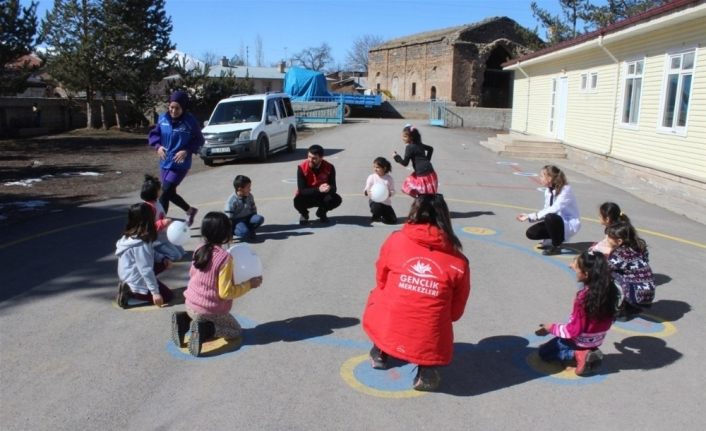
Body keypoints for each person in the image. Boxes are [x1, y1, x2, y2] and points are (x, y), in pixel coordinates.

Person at [362, 194, 471, 391]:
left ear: (414, 212)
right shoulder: (459, 261)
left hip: (394, 316)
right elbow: (456, 310)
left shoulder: (395, 240)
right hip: (429, 329)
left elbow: (381, 279)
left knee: (381, 294)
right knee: (435, 316)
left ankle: (380, 350)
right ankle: (427, 369)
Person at [175, 212, 263, 357]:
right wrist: (248, 284)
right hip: (209, 310)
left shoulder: (199, 249)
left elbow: (192, 274)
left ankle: (184, 319)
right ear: (225, 234)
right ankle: (205, 330)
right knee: (235, 331)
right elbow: (226, 293)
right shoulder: (224, 259)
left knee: (203, 316)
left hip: (190, 304)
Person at [535, 250, 619, 376]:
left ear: (586, 274)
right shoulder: (611, 290)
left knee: (544, 353)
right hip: (598, 338)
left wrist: (550, 328)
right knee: (564, 342)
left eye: (576, 268)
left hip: (579, 339)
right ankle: (590, 349)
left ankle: (578, 353)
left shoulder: (583, 297)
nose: (571, 267)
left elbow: (573, 330)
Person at [148, 90, 204, 226]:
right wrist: (158, 147)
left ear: (183, 108)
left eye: (177, 108)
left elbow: (199, 139)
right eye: (171, 107)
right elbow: (154, 135)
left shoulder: (190, 121)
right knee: (169, 193)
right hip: (165, 162)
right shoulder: (162, 118)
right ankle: (189, 211)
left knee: (165, 191)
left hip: (180, 164)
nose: (173, 111)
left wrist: (187, 150)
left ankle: (160, 224)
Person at [115, 203, 174, 309]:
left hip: (129, 274)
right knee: (168, 296)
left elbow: (151, 253)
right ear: (148, 219)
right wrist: (155, 292)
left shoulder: (132, 235)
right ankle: (130, 296)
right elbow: (145, 269)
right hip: (134, 279)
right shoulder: (141, 243)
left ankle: (134, 288)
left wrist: (163, 258)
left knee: (162, 263)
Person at [516, 165, 581, 255]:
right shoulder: (548, 191)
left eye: (542, 176)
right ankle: (551, 239)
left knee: (550, 217)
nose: (540, 178)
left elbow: (554, 209)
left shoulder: (565, 189)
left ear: (549, 178)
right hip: (555, 221)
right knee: (531, 233)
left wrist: (533, 215)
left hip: (568, 224)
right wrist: (529, 217)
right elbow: (546, 210)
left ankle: (556, 246)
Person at [604, 221, 656, 320]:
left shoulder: (620, 254)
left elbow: (605, 268)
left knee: (608, 275)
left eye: (608, 238)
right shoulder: (639, 248)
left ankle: (622, 307)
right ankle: (632, 307)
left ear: (619, 241)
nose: (606, 240)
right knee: (623, 274)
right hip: (648, 294)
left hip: (636, 296)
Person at [293, 144, 342, 224]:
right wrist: (318, 189)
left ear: (321, 158)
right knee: (297, 201)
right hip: (308, 195)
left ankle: (321, 212)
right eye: (309, 156)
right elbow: (302, 190)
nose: (310, 160)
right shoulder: (302, 168)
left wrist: (329, 188)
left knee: (336, 199)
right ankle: (304, 214)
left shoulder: (330, 167)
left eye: (314, 158)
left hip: (322, 195)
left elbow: (334, 188)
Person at [140, 174, 185, 261]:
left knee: (182, 252)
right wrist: (162, 223)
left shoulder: (157, 202)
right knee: (176, 256)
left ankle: (163, 251)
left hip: (164, 237)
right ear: (154, 192)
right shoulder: (148, 207)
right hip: (156, 241)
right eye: (160, 189)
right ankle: (153, 254)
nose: (162, 190)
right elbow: (148, 227)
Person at [393, 124, 437, 197]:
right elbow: (430, 149)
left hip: (422, 172)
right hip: (430, 170)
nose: (403, 138)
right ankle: (422, 202)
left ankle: (420, 202)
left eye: (405, 136)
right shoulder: (418, 144)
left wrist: (396, 157)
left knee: (407, 186)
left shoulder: (409, 147)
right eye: (402, 136)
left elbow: (405, 163)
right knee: (427, 194)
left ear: (411, 137)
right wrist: (427, 161)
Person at [224, 175, 264, 241]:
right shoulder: (231, 201)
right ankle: (235, 231)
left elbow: (253, 209)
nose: (250, 189)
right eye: (248, 187)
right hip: (237, 221)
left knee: (259, 219)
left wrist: (254, 216)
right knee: (244, 232)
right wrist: (229, 234)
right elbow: (228, 220)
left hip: (248, 217)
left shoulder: (250, 196)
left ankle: (250, 230)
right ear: (240, 188)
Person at [364, 156, 397, 224]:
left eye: (377, 167)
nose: (375, 169)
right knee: (376, 208)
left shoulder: (389, 178)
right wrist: (367, 192)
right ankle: (376, 215)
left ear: (384, 168)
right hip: (374, 201)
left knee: (392, 220)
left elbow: (393, 191)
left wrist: (390, 193)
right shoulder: (372, 177)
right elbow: (366, 188)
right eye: (374, 167)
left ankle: (383, 216)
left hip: (386, 202)